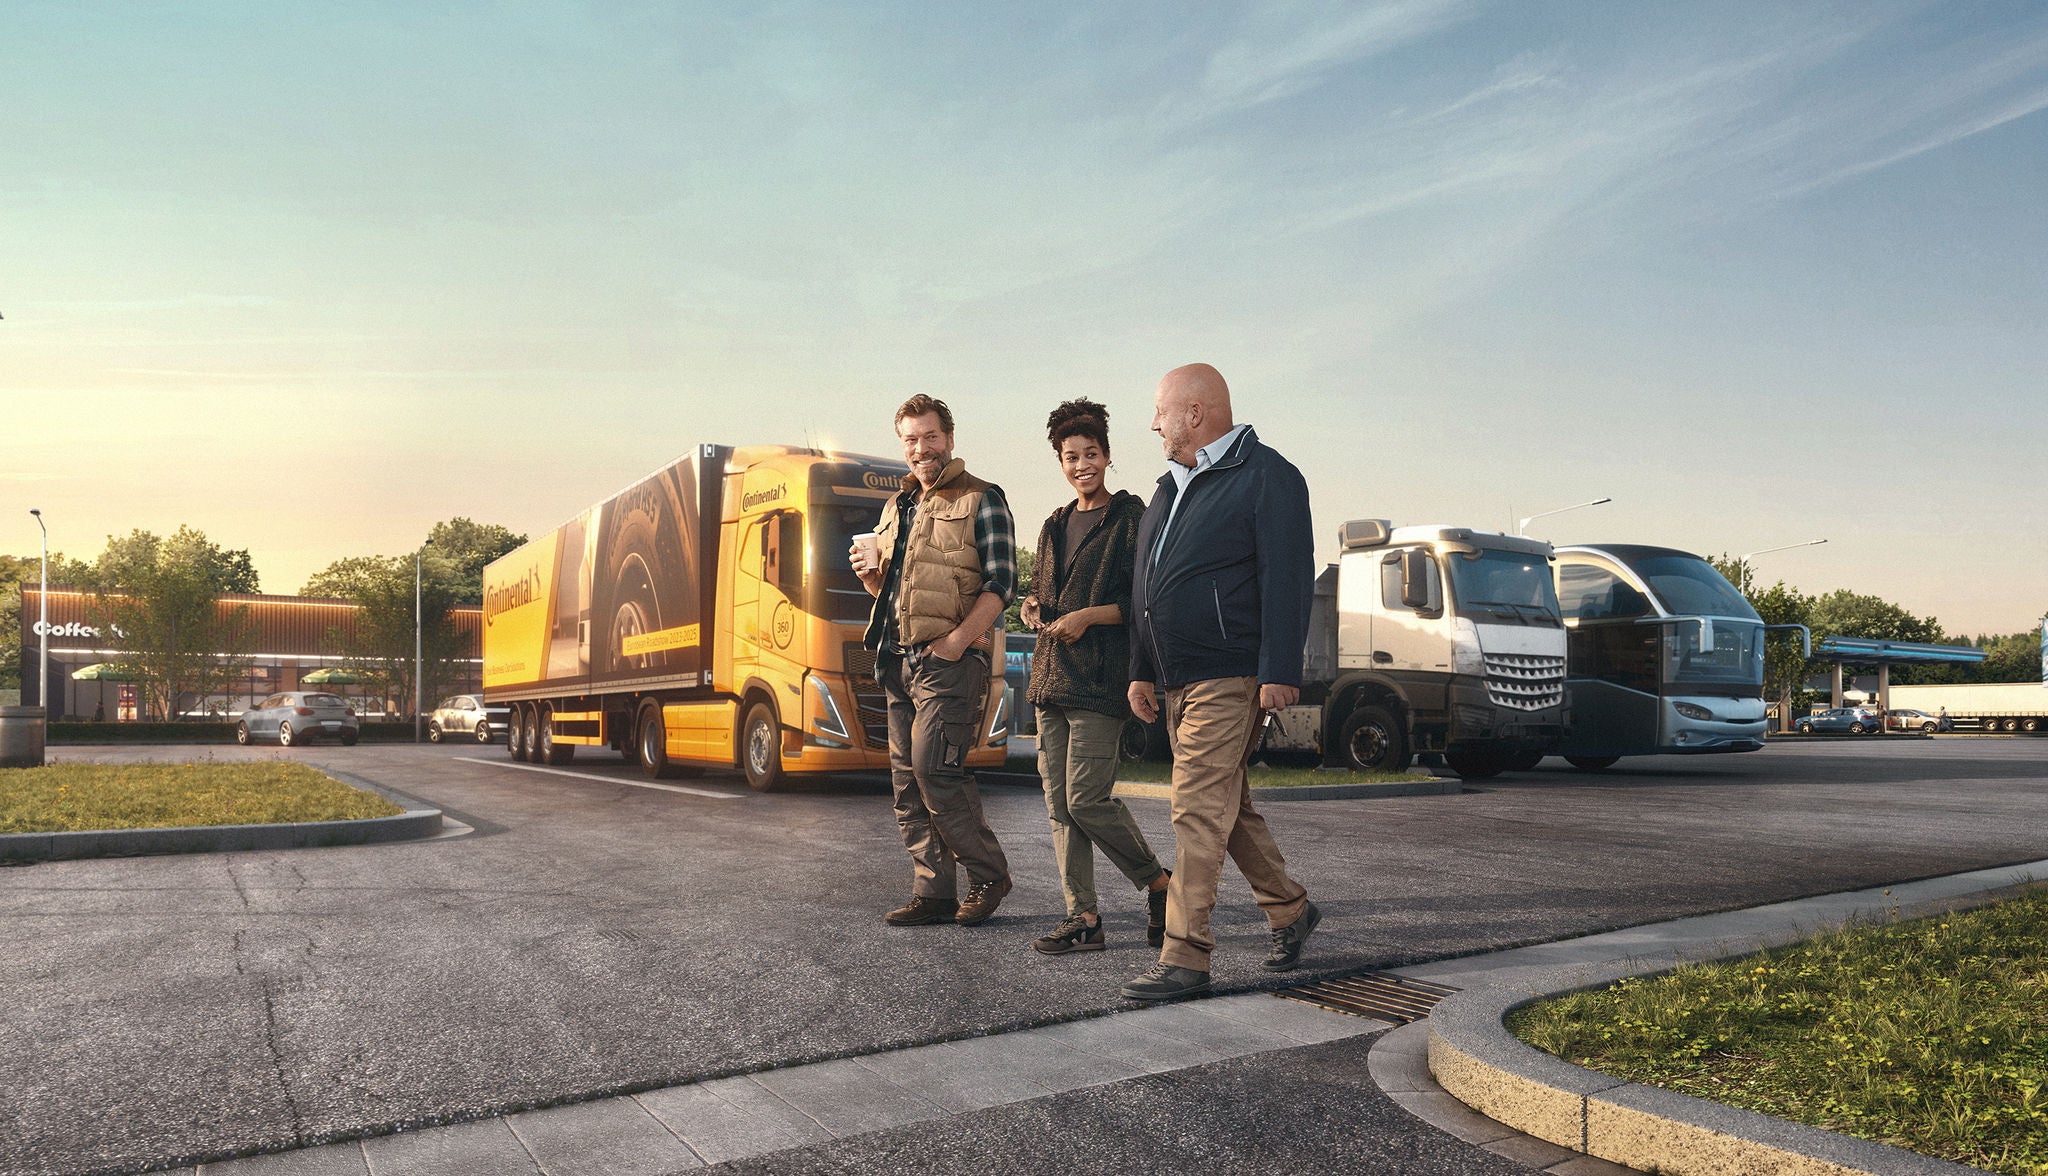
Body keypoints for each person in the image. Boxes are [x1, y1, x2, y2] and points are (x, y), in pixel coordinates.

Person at [1119, 362, 1319, 1002]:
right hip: (1176, 677)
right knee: (1228, 813)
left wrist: (1280, 670)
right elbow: (1144, 587)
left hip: (1229, 672)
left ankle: (1186, 957)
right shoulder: (1168, 488)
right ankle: (1290, 910)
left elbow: (1287, 577)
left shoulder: (1269, 478)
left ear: (1196, 412)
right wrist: (1141, 668)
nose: (1153, 423)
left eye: (1160, 410)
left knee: (1196, 809)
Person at [853, 395, 1017, 928]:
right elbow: (896, 593)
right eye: (911, 440)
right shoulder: (896, 507)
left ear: (949, 438)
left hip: (948, 662)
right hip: (895, 658)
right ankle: (935, 892)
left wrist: (957, 642)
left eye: (929, 437)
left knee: (935, 771)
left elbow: (1002, 586)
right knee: (906, 781)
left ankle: (988, 873)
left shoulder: (983, 498)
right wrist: (871, 579)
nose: (921, 449)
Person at [1019, 399, 1171, 956]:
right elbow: (1042, 590)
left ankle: (1158, 882)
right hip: (1049, 678)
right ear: (1059, 462)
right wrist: (1035, 606)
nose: (1081, 465)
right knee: (1059, 806)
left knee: (1086, 799)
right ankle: (1082, 917)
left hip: (1100, 681)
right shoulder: (1052, 524)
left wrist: (1088, 617)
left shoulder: (1129, 519)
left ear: (1107, 456)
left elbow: (1139, 602)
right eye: (1069, 457)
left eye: (1090, 454)